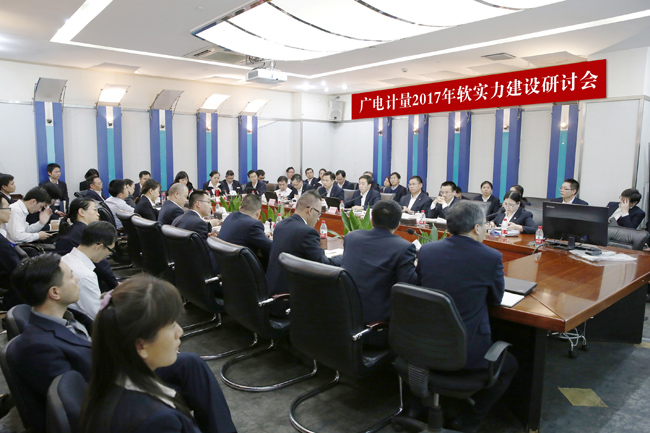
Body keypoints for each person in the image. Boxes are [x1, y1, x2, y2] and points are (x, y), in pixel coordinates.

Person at [11, 255, 236, 433]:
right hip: (112, 382)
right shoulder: (36, 347)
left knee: (190, 363)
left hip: (115, 370)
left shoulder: (70, 316)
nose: (77, 279)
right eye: (71, 277)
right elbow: (80, 398)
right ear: (54, 292)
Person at [417, 201, 518, 433]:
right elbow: (496, 299)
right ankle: (470, 420)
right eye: (484, 226)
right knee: (510, 364)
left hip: (423, 345)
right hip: (467, 353)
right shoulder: (490, 257)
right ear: (476, 228)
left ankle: (421, 406)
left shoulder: (427, 251)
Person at [340, 200, 417, 347]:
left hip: (343, 319)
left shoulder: (352, 237)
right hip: (375, 329)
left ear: (371, 219)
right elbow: (408, 286)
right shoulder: (404, 247)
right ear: (398, 224)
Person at [266, 190, 343, 315]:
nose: (318, 218)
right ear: (310, 210)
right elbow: (323, 265)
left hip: (271, 295)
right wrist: (343, 257)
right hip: (289, 302)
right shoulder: (308, 232)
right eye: (319, 213)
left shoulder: (281, 225)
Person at [56, 198, 118, 292]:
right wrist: (116, 285)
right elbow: (102, 266)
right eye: (94, 210)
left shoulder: (74, 229)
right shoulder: (85, 233)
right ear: (81, 212)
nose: (98, 214)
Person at [61, 221, 117, 319]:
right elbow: (98, 315)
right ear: (99, 246)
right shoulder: (85, 275)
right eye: (110, 250)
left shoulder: (65, 259)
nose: (108, 254)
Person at [218, 194, 272, 269]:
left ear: (240, 208)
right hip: (238, 269)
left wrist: (262, 235)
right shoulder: (253, 224)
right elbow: (270, 247)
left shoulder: (230, 216)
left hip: (221, 265)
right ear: (258, 213)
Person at [172, 190, 219, 273]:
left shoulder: (178, 219)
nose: (211, 206)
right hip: (197, 270)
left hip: (180, 267)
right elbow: (205, 253)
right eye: (208, 202)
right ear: (198, 204)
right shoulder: (199, 223)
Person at [0, 194, 23, 309]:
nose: (10, 211)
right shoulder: (1, 243)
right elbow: (16, 269)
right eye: (7, 208)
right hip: (9, 291)